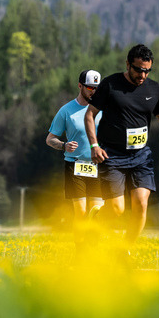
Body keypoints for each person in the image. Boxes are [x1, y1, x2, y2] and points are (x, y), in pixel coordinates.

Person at [84, 44, 159, 245]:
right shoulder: (110, 84)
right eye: (138, 69)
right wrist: (94, 146)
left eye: (147, 71)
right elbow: (90, 115)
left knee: (141, 205)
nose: (142, 75)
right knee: (116, 209)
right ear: (128, 64)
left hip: (141, 156)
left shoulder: (154, 88)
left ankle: (125, 249)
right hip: (111, 155)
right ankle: (95, 219)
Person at [46, 70, 106, 230]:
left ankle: (96, 250)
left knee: (98, 213)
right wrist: (64, 145)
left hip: (99, 166)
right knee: (80, 213)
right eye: (90, 88)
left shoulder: (104, 109)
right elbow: (50, 139)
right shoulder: (66, 111)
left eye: (96, 88)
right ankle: (80, 249)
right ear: (80, 86)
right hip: (75, 166)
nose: (94, 91)